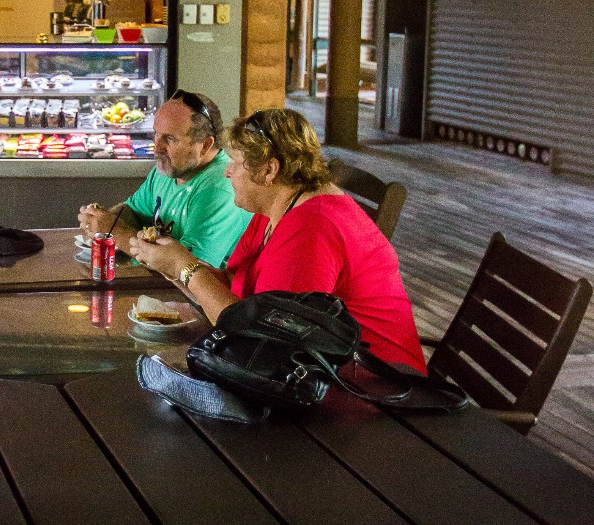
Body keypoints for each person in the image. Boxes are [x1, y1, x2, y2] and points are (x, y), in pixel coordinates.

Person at [128, 107, 426, 371]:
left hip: (368, 385)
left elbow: (263, 342)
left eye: (236, 162)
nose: (227, 172)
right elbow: (236, 296)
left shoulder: (312, 228)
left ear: (270, 170)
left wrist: (186, 267)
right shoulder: (272, 209)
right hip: (309, 370)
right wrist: (175, 267)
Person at [78, 90, 250, 269]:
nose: (157, 148)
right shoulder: (170, 170)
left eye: (170, 139)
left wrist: (114, 231)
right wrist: (103, 219)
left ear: (205, 145)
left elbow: (187, 270)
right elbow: (134, 211)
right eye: (156, 134)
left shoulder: (220, 189)